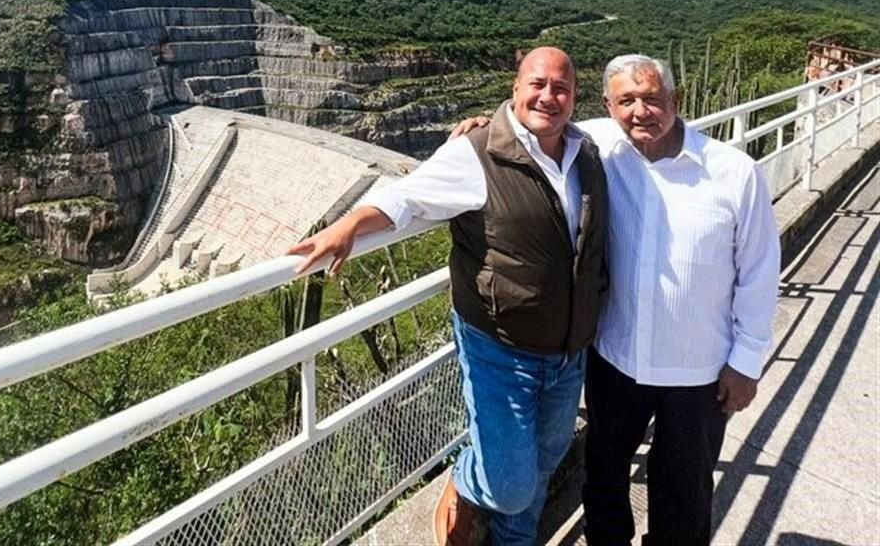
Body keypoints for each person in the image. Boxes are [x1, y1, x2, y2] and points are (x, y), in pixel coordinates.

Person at [287, 47, 609, 546]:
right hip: (501, 347)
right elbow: (408, 196)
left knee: (548, 459)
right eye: (538, 85)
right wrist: (351, 223)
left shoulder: (586, 150)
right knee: (509, 484)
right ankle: (465, 479)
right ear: (516, 89)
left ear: (575, 97)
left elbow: (642, 129)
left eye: (561, 88)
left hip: (568, 351)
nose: (548, 96)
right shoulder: (476, 152)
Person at [454, 54, 780, 546]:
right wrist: (482, 127)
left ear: (676, 100)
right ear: (608, 106)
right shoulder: (597, 149)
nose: (640, 111)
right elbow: (535, 118)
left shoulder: (734, 172)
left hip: (698, 370)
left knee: (684, 491)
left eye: (652, 98)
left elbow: (759, 272)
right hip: (616, 360)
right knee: (604, 476)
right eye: (626, 100)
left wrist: (747, 362)